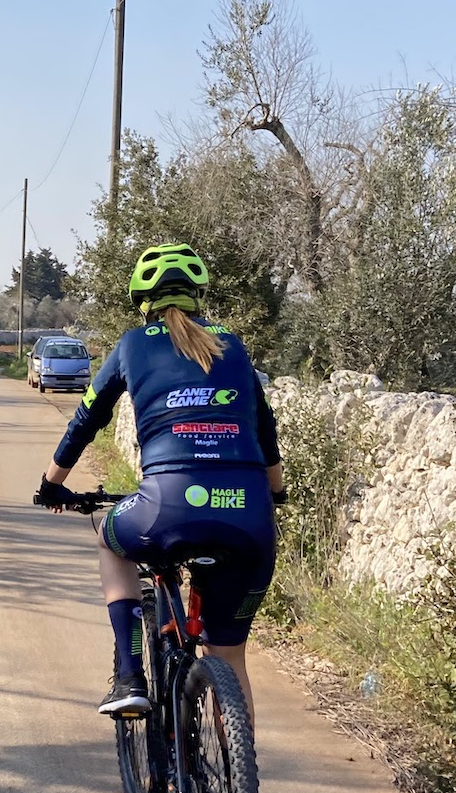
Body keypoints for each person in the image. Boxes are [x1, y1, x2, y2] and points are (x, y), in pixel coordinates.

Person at [33, 244, 283, 715]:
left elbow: (86, 418)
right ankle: (236, 780)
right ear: (197, 295)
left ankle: (129, 676)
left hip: (165, 505)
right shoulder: (233, 344)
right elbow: (265, 429)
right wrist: (277, 491)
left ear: (142, 299)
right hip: (249, 517)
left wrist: (52, 483)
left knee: (111, 541)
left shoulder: (132, 344)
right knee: (229, 656)